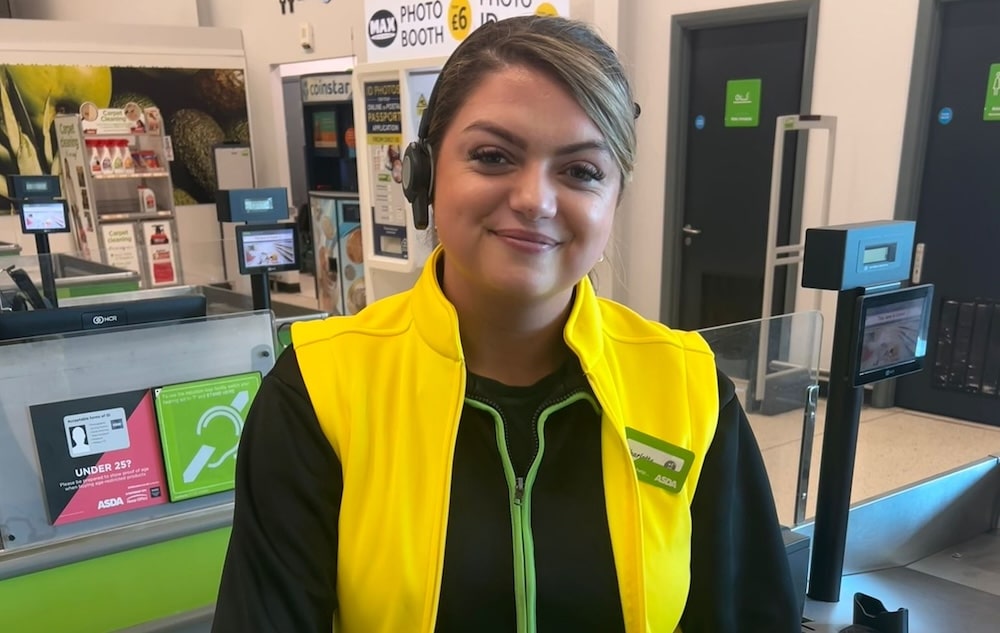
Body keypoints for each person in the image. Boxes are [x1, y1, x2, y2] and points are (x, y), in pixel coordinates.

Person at [211, 15, 799, 633]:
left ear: (614, 200)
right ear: (423, 175)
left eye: (581, 171)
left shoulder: (687, 388)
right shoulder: (319, 389)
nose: (534, 200)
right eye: (493, 157)